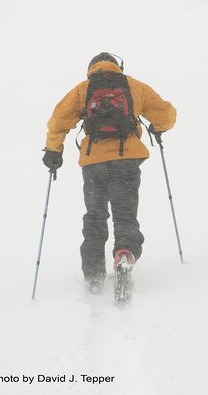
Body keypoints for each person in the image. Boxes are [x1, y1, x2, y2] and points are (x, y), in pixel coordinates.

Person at [42, 52, 176, 291]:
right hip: (126, 161)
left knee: (95, 215)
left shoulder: (83, 89)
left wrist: (54, 151)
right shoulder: (134, 86)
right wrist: (158, 127)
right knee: (125, 214)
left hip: (94, 163)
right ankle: (124, 253)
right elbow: (166, 114)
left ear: (91, 68)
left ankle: (94, 275)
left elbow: (58, 120)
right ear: (118, 66)